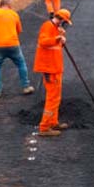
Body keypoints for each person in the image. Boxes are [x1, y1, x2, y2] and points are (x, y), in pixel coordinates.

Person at [33, 8, 72, 137]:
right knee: (52, 98)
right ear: (60, 19)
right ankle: (44, 127)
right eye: (64, 22)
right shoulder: (47, 26)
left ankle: (53, 122)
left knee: (56, 98)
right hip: (49, 69)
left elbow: (54, 47)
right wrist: (57, 38)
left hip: (56, 67)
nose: (64, 24)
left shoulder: (55, 28)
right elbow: (43, 42)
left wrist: (61, 40)